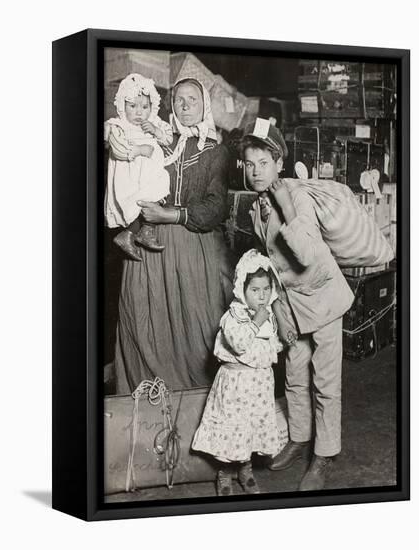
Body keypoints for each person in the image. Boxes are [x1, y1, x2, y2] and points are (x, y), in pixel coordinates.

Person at [241, 118, 354, 491]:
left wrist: (287, 205)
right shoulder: (255, 205)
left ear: (280, 164)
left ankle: (324, 454)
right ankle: (300, 438)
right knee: (293, 376)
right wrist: (276, 312)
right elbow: (269, 265)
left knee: (325, 382)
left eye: (264, 163)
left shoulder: (296, 195)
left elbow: (304, 254)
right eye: (249, 164)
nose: (256, 172)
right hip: (290, 304)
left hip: (321, 298)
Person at [113, 77, 232, 392]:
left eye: (192, 99)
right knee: (144, 323)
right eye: (179, 99)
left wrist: (169, 214)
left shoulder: (216, 151)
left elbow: (216, 207)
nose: (185, 105)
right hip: (148, 248)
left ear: (204, 104)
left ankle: (197, 408)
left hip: (192, 247)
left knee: (196, 331)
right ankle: (147, 408)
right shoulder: (158, 142)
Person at [192, 249, 283, 496]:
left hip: (258, 384)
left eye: (266, 290)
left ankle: (246, 469)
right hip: (235, 384)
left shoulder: (269, 314)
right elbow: (239, 343)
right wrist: (256, 322)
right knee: (232, 428)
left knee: (250, 428)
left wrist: (279, 339)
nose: (262, 296)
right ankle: (224, 472)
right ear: (242, 290)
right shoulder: (233, 316)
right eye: (255, 290)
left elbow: (270, 346)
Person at [104, 73, 173, 261]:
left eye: (144, 107)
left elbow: (168, 138)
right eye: (132, 106)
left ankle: (145, 231)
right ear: (122, 106)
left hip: (151, 172)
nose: (139, 112)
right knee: (135, 201)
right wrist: (138, 149)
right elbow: (113, 144)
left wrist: (156, 131)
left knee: (158, 191)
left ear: (152, 107)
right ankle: (128, 233)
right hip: (130, 173)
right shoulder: (119, 125)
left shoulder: (155, 122)